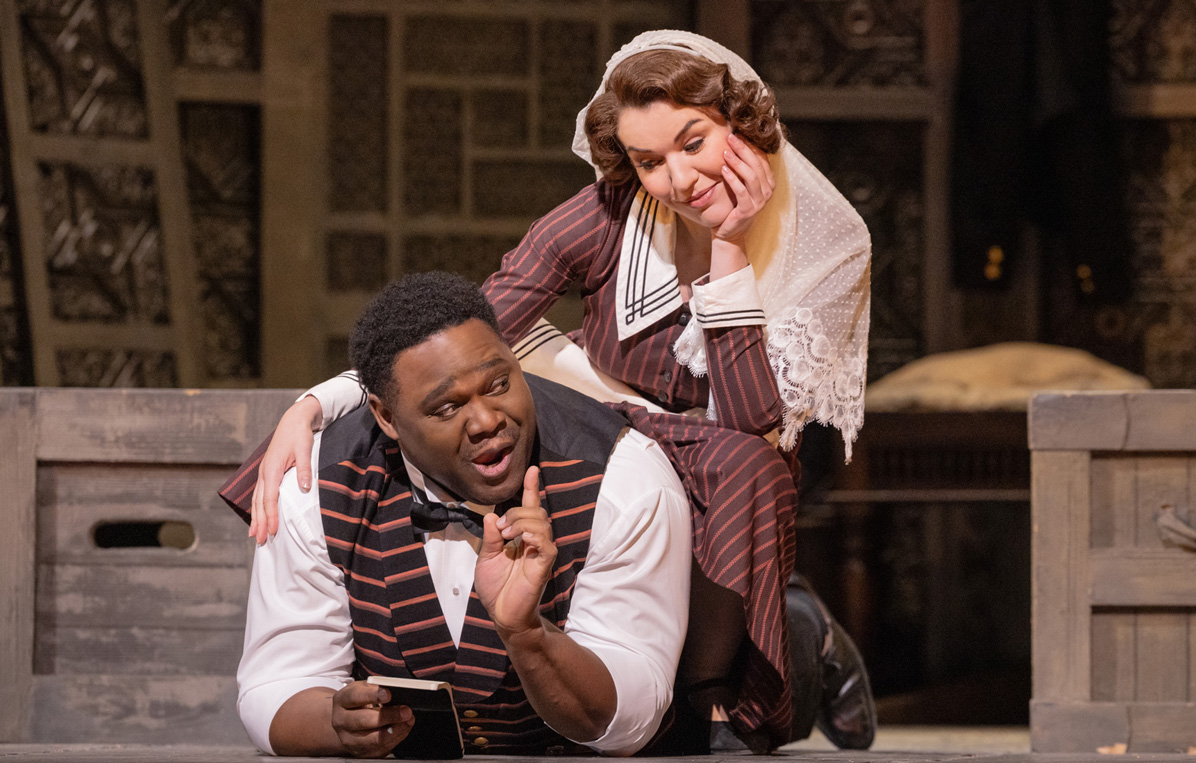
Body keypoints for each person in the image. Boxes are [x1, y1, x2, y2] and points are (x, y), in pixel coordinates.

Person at [222, 30, 875, 752]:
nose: (680, 179)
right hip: (605, 422)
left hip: (731, 459)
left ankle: (760, 663)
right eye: (649, 161)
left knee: (748, 469)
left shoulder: (830, 245)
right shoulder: (609, 213)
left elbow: (754, 421)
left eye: (694, 143)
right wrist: (323, 400)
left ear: (741, 124)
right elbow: (475, 325)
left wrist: (729, 249)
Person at [236, 272, 692, 757]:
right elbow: (276, 684)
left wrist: (527, 636)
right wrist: (336, 725)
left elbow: (631, 722)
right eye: (447, 408)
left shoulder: (622, 480)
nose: (487, 420)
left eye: (499, 384)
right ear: (386, 418)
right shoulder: (319, 486)